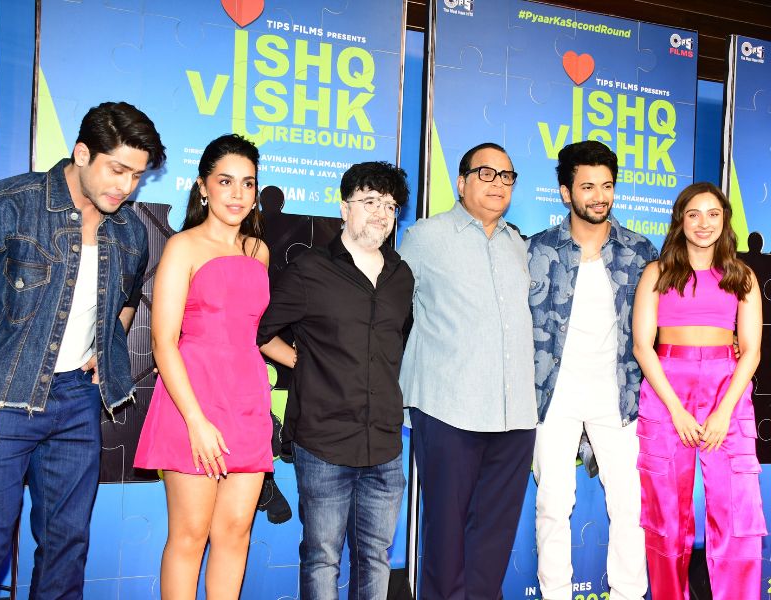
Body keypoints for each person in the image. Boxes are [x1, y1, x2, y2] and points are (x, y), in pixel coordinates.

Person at [0, 101, 165, 597]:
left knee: (67, 546)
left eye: (137, 176)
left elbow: (125, 300)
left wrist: (106, 343)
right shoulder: (6, 205)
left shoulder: (129, 231)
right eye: (117, 169)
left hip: (78, 401)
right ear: (82, 153)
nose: (126, 186)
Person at [132, 133, 290, 598]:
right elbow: (163, 342)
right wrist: (196, 421)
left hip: (247, 403)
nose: (238, 194)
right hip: (192, 402)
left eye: (248, 183)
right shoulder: (183, 246)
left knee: (236, 534)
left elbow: (254, 333)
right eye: (225, 181)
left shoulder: (258, 251)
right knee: (190, 535)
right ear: (203, 187)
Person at [257, 161, 413, 600]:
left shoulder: (401, 276)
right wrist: (304, 362)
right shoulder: (310, 269)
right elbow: (261, 332)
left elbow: (396, 345)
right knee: (322, 557)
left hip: (384, 444)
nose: (381, 213)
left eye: (390, 206)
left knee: (376, 557)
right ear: (345, 208)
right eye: (370, 202)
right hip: (323, 442)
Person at [399, 142, 536, 598]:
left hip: (514, 415)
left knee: (494, 539)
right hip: (448, 409)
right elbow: (393, 313)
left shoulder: (519, 245)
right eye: (486, 173)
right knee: (446, 536)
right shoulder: (425, 237)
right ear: (462, 183)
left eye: (507, 176)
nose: (498, 183)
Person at [526, 140, 656, 600]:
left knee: (629, 505)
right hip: (552, 394)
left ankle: (627, 594)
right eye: (587, 187)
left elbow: (662, 323)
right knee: (553, 504)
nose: (599, 196)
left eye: (607, 186)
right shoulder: (537, 250)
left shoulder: (640, 251)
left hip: (618, 395)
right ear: (566, 192)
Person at [632, 182, 766, 599]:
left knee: (736, 512)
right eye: (694, 214)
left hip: (727, 389)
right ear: (681, 221)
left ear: (725, 221)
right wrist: (675, 410)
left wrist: (724, 411)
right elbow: (642, 346)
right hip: (666, 391)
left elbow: (751, 351)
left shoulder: (742, 277)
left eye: (713, 214)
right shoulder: (656, 273)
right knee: (666, 514)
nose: (703, 223)